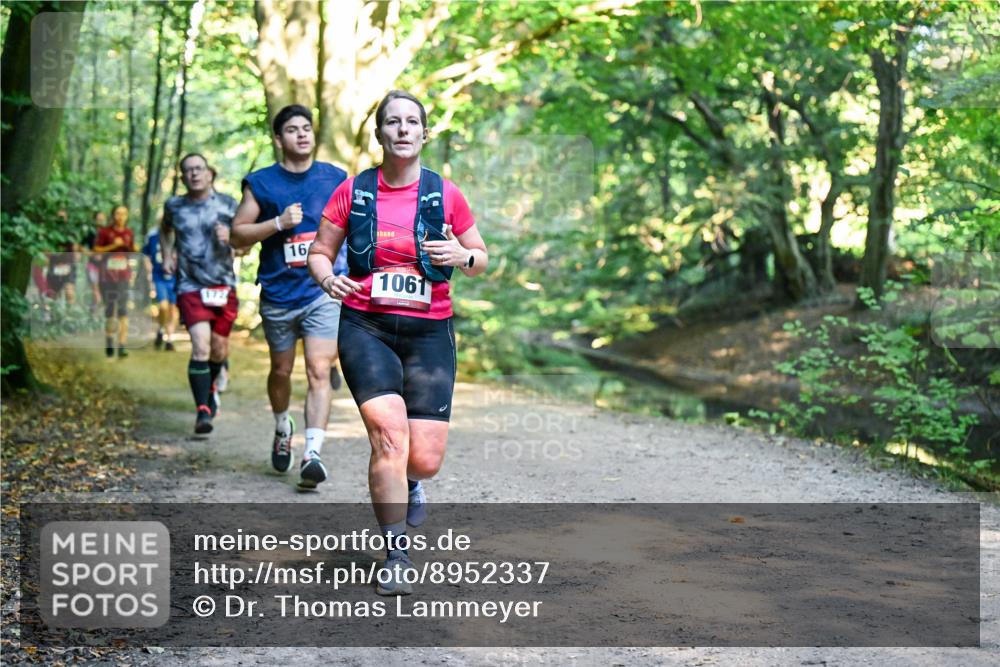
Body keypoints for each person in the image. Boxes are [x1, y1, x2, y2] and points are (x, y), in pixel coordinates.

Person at [308, 90, 488, 595]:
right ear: (380, 133)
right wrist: (328, 280)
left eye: (412, 122)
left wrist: (459, 254)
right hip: (366, 325)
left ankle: (412, 481)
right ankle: (395, 553)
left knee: (424, 458)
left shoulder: (445, 194)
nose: (403, 129)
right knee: (389, 438)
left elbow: (482, 258)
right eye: (393, 121)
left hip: (430, 331)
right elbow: (320, 253)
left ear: (424, 133)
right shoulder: (354, 191)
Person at [231, 104, 348, 488]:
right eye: (293, 130)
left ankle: (312, 453)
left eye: (307, 128)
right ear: (279, 140)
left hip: (322, 291)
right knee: (280, 371)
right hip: (279, 295)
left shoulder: (335, 178)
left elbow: (358, 225)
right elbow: (237, 234)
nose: (302, 134)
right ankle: (283, 426)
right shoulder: (262, 183)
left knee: (318, 369)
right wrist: (278, 223)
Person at [160, 153, 239, 434]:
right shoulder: (175, 206)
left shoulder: (228, 204)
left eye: (199, 169)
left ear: (209, 173)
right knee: (201, 346)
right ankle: (202, 410)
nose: (194, 174)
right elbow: (165, 229)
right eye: (188, 170)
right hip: (190, 285)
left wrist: (232, 239)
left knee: (218, 349)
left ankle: (213, 384)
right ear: (182, 177)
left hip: (223, 284)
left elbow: (245, 244)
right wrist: (167, 254)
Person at [93, 205, 136, 358]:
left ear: (127, 216)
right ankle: (109, 341)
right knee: (110, 310)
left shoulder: (129, 233)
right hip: (107, 277)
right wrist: (113, 246)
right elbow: (96, 250)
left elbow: (132, 252)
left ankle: (122, 345)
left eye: (124, 214)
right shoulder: (105, 232)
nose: (121, 217)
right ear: (113, 215)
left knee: (123, 310)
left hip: (123, 277)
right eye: (118, 213)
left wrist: (132, 249)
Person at [142, 225, 178, 351]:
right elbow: (145, 255)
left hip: (175, 278)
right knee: (163, 307)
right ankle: (161, 329)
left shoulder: (180, 236)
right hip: (159, 277)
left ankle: (169, 339)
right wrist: (149, 272)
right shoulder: (153, 237)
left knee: (173, 309)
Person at [45, 211, 77, 304]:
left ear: (66, 219)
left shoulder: (71, 233)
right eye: (59, 218)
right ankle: (51, 315)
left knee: (69, 292)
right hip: (53, 265)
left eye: (63, 218)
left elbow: (75, 249)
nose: (61, 220)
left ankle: (70, 315)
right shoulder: (50, 233)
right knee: (52, 294)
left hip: (68, 266)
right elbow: (46, 251)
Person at [83, 211, 106, 309]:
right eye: (98, 219)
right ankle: (95, 311)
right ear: (95, 220)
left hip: (105, 267)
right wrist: (91, 254)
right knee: (95, 290)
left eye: (102, 219)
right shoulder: (90, 233)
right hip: (92, 266)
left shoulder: (109, 233)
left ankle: (96, 309)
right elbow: (80, 246)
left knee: (102, 290)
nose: (100, 221)